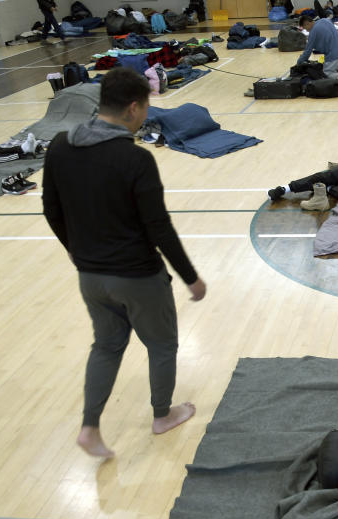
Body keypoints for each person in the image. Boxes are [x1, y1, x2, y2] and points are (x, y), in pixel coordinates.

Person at [42, 68, 206, 459]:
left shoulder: (61, 145)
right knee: (162, 345)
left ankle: (90, 427)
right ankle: (162, 416)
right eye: (146, 107)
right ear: (134, 108)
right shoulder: (135, 159)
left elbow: (51, 209)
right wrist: (190, 277)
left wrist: (75, 249)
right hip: (137, 277)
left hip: (90, 277)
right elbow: (158, 227)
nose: (147, 114)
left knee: (106, 347)